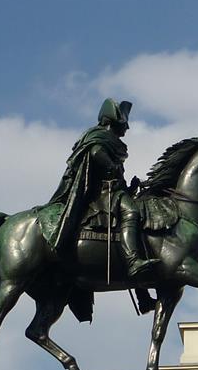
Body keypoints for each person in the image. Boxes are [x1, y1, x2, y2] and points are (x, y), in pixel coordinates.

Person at [47, 99, 159, 282]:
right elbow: (95, 152)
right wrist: (111, 167)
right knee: (132, 212)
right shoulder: (99, 137)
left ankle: (141, 286)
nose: (127, 127)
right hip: (102, 193)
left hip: (114, 191)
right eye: (124, 123)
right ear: (112, 122)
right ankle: (132, 262)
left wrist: (130, 187)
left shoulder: (111, 142)